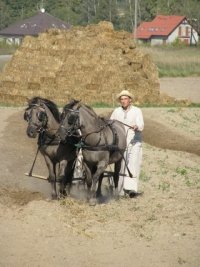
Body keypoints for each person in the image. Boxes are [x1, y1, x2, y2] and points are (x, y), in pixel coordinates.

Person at [110, 90, 144, 198]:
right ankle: (120, 190)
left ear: (130, 100)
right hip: (121, 143)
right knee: (121, 165)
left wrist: (136, 126)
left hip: (134, 142)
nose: (123, 101)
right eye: (121, 99)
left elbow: (141, 124)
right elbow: (111, 123)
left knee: (132, 164)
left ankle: (131, 189)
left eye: (125, 99)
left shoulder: (137, 111)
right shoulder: (116, 111)